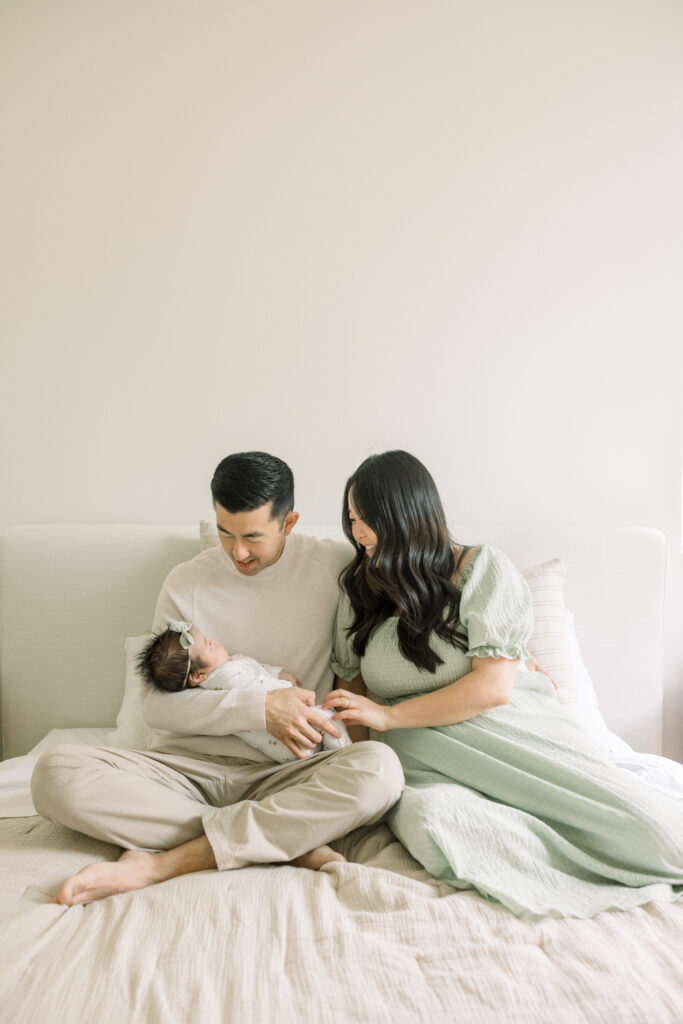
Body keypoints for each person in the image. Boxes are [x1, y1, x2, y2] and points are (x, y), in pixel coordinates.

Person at [323, 450, 683, 918]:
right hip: (424, 765)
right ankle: (563, 887)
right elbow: (347, 699)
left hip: (510, 736)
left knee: (655, 835)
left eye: (366, 519)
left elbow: (492, 688)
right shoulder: (359, 590)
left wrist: (387, 716)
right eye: (350, 520)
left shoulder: (479, 569)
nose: (357, 533)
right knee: (436, 826)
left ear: (404, 513)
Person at [31, 451, 403, 905]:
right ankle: (280, 835)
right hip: (183, 772)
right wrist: (258, 710)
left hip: (287, 774)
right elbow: (156, 705)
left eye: (252, 537)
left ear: (289, 523)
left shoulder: (338, 569)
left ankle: (168, 860)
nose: (237, 551)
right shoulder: (186, 582)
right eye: (225, 533)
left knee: (380, 771)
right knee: (54, 774)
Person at [138, 620, 351, 762]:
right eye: (208, 645)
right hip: (291, 738)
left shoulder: (227, 667)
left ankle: (340, 759)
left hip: (287, 751)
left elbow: (256, 671)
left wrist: (278, 672)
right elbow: (266, 693)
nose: (213, 640)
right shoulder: (225, 677)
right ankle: (348, 756)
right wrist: (286, 688)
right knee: (331, 720)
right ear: (198, 675)